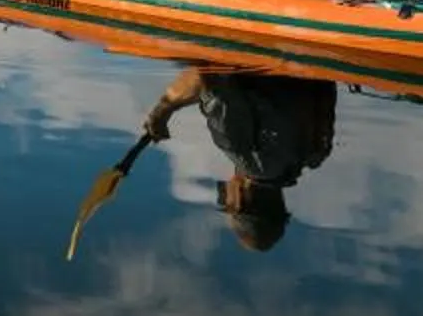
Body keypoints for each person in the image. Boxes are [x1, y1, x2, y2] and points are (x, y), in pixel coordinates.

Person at [137, 65, 336, 251]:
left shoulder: (314, 152)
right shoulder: (239, 149)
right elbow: (206, 74)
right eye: (225, 198)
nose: (225, 188)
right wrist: (164, 108)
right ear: (240, 200)